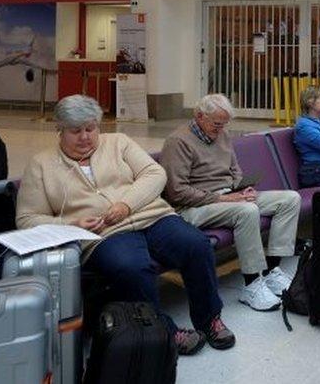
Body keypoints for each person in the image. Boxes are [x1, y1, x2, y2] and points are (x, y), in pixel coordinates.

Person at [15, 95, 234, 356]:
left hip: (153, 216)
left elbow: (155, 174)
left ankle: (209, 319)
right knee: (130, 267)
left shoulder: (118, 143)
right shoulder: (41, 164)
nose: (85, 137)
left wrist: (126, 205)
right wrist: (70, 222)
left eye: (91, 128)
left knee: (196, 245)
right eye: (76, 131)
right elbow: (27, 219)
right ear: (59, 130)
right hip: (104, 234)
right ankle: (164, 331)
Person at [161, 94, 301, 312]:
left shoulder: (222, 135)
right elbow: (177, 193)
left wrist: (241, 187)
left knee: (290, 199)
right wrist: (224, 198)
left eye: (225, 124)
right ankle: (252, 285)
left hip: (229, 196)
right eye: (217, 124)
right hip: (194, 208)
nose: (221, 130)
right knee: (246, 211)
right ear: (199, 116)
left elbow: (234, 169)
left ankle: (272, 271)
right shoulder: (177, 142)